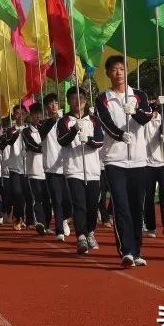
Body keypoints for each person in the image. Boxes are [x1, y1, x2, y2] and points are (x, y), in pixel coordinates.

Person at [96, 55, 154, 268]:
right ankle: (126, 251)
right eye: (114, 70)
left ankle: (137, 251)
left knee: (136, 207)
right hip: (115, 160)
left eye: (121, 69)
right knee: (121, 206)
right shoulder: (103, 98)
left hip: (138, 159)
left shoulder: (138, 95)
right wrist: (121, 135)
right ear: (108, 74)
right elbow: (105, 122)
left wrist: (135, 111)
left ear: (126, 71)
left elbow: (147, 115)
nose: (118, 73)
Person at [57, 87, 104, 254]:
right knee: (79, 204)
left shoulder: (94, 120)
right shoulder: (64, 121)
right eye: (74, 98)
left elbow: (100, 141)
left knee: (92, 205)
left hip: (92, 169)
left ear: (86, 99)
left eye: (81, 98)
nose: (78, 101)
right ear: (69, 101)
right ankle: (81, 237)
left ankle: (90, 231)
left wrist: (88, 140)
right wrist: (74, 130)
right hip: (74, 169)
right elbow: (62, 141)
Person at [143, 95, 164, 239]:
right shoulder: (143, 119)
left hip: (162, 161)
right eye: (150, 101)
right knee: (149, 196)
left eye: (154, 101)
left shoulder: (163, 118)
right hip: (147, 162)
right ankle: (151, 227)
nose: (153, 104)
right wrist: (152, 105)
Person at [40, 93, 70, 241]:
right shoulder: (44, 124)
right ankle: (59, 230)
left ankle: (65, 219)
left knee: (69, 200)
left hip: (68, 166)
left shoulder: (65, 121)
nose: (54, 106)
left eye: (56, 103)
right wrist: (54, 119)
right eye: (50, 104)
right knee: (57, 200)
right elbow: (43, 132)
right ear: (47, 107)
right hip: (52, 168)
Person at [21, 104, 48, 234]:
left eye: (40, 113)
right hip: (34, 170)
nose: (38, 116)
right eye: (35, 113)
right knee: (37, 198)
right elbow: (32, 145)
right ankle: (39, 222)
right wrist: (47, 148)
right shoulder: (26, 131)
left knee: (47, 199)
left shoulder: (45, 129)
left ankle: (47, 224)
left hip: (47, 169)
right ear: (30, 115)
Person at [0, 106, 27, 230]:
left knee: (26, 195)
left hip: (28, 167)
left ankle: (24, 218)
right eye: (17, 113)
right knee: (17, 193)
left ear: (26, 114)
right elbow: (4, 143)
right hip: (14, 166)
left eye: (22, 113)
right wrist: (15, 133)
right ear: (13, 115)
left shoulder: (29, 129)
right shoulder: (10, 130)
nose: (19, 115)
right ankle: (18, 217)